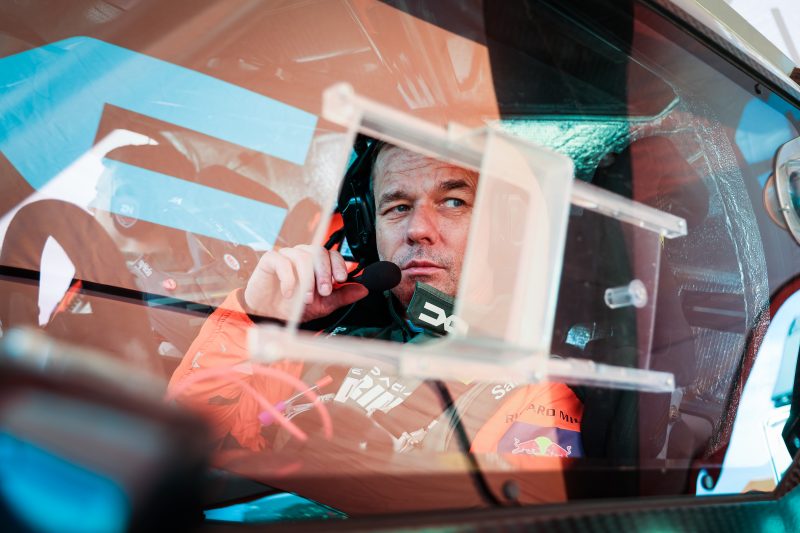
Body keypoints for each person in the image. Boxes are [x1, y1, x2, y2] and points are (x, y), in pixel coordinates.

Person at [168, 139, 584, 459]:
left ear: (508, 228)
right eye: (398, 207)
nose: (418, 229)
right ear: (368, 230)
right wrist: (254, 320)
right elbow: (185, 446)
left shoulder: (532, 391)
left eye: (453, 202)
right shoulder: (320, 329)